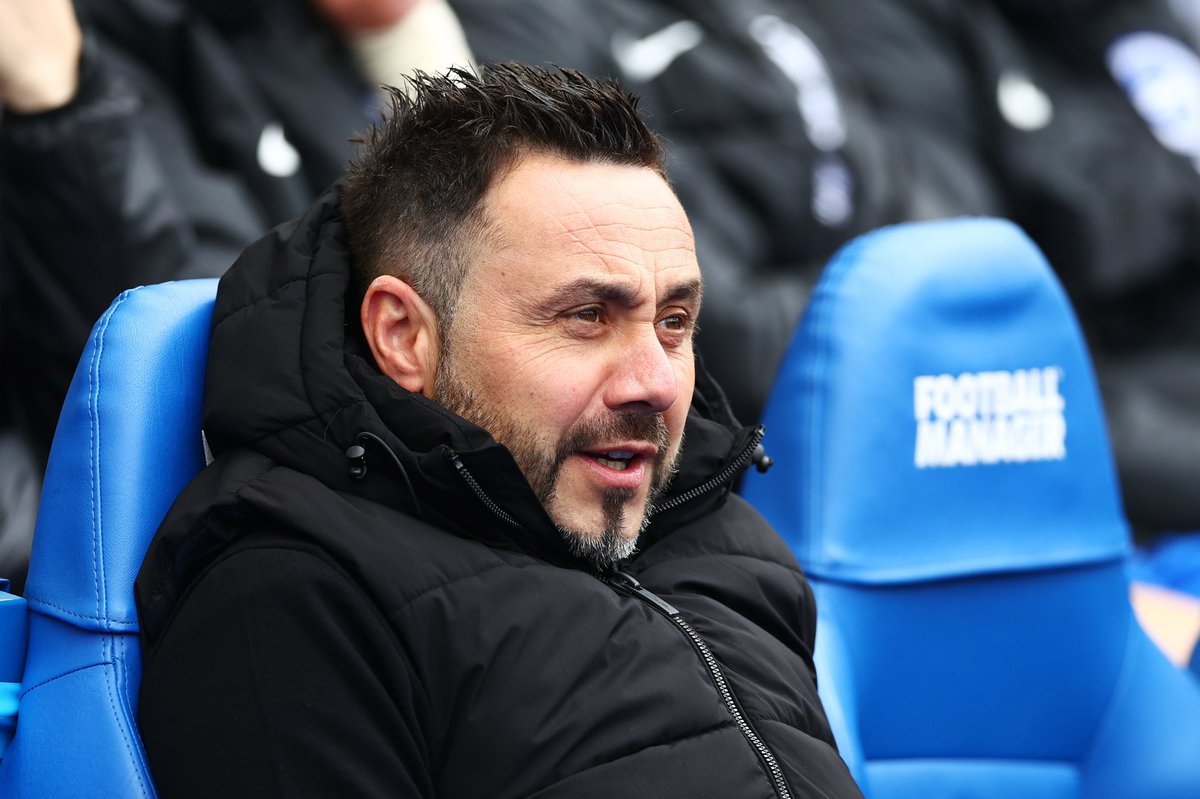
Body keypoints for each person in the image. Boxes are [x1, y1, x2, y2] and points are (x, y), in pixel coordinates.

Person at [134, 64, 863, 798]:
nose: (659, 383)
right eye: (587, 317)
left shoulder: (734, 546)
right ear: (403, 336)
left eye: (673, 322)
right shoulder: (296, 597)